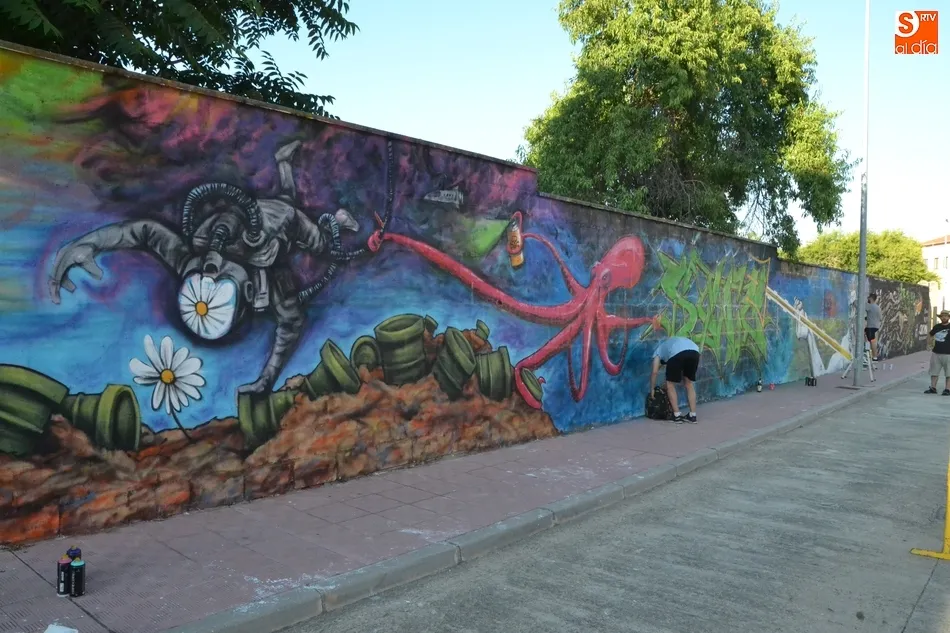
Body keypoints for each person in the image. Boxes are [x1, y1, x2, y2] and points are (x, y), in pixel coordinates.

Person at [649, 336, 700, 423]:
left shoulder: (658, 352)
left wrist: (652, 389)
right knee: (689, 383)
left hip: (677, 353)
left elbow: (654, 372)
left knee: (670, 384)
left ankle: (677, 416)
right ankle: (693, 416)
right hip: (695, 352)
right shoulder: (669, 345)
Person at [926, 309, 950, 395]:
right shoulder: (937, 327)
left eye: (946, 316)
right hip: (936, 353)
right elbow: (930, 334)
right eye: (942, 316)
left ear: (948, 317)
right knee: (934, 372)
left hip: (948, 354)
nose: (944, 317)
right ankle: (933, 388)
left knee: (949, 373)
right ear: (940, 317)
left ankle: (947, 389)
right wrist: (929, 344)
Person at [865, 293, 882, 362]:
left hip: (870, 327)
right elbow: (880, 318)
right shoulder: (878, 307)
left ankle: (873, 357)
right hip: (876, 327)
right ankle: (874, 356)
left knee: (871, 342)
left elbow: (858, 305)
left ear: (871, 298)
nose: (867, 299)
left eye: (868, 297)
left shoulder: (869, 306)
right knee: (874, 342)